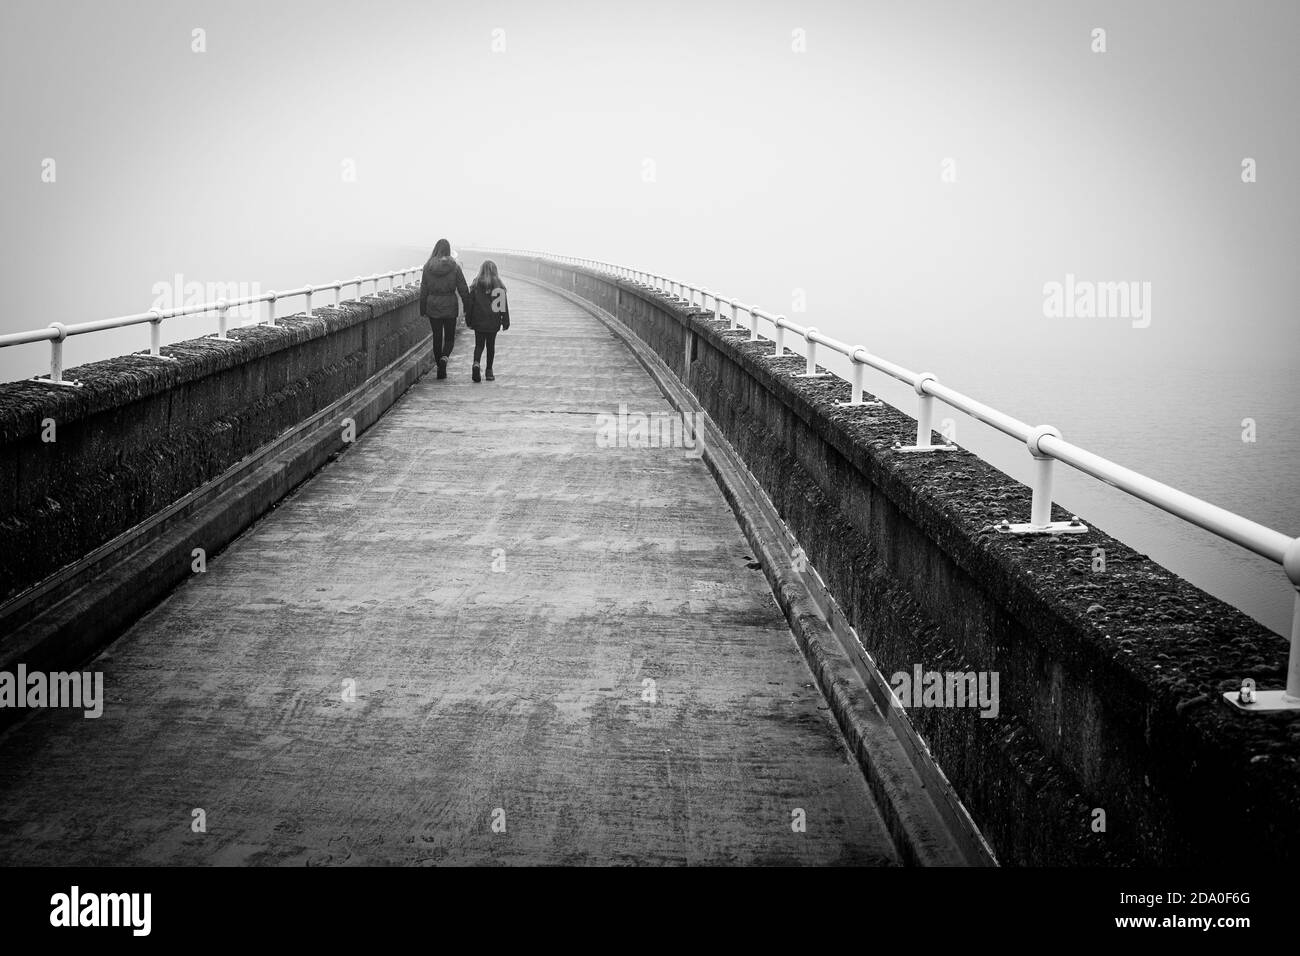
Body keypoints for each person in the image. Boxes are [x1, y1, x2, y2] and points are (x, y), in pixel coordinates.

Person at [419, 239, 471, 379]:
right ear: (448, 250)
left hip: (433, 305)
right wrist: (467, 307)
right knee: (449, 339)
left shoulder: (428, 266)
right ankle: (444, 359)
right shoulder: (454, 266)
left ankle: (439, 367)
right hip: (450, 305)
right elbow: (463, 288)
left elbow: (423, 289)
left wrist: (422, 309)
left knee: (437, 338)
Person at [465, 260, 510, 382]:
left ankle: (476, 363)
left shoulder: (476, 285)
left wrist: (468, 320)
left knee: (479, 345)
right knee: (490, 346)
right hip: (493, 321)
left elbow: (470, 305)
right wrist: (505, 321)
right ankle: (489, 371)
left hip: (479, 320)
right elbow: (502, 306)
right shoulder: (499, 286)